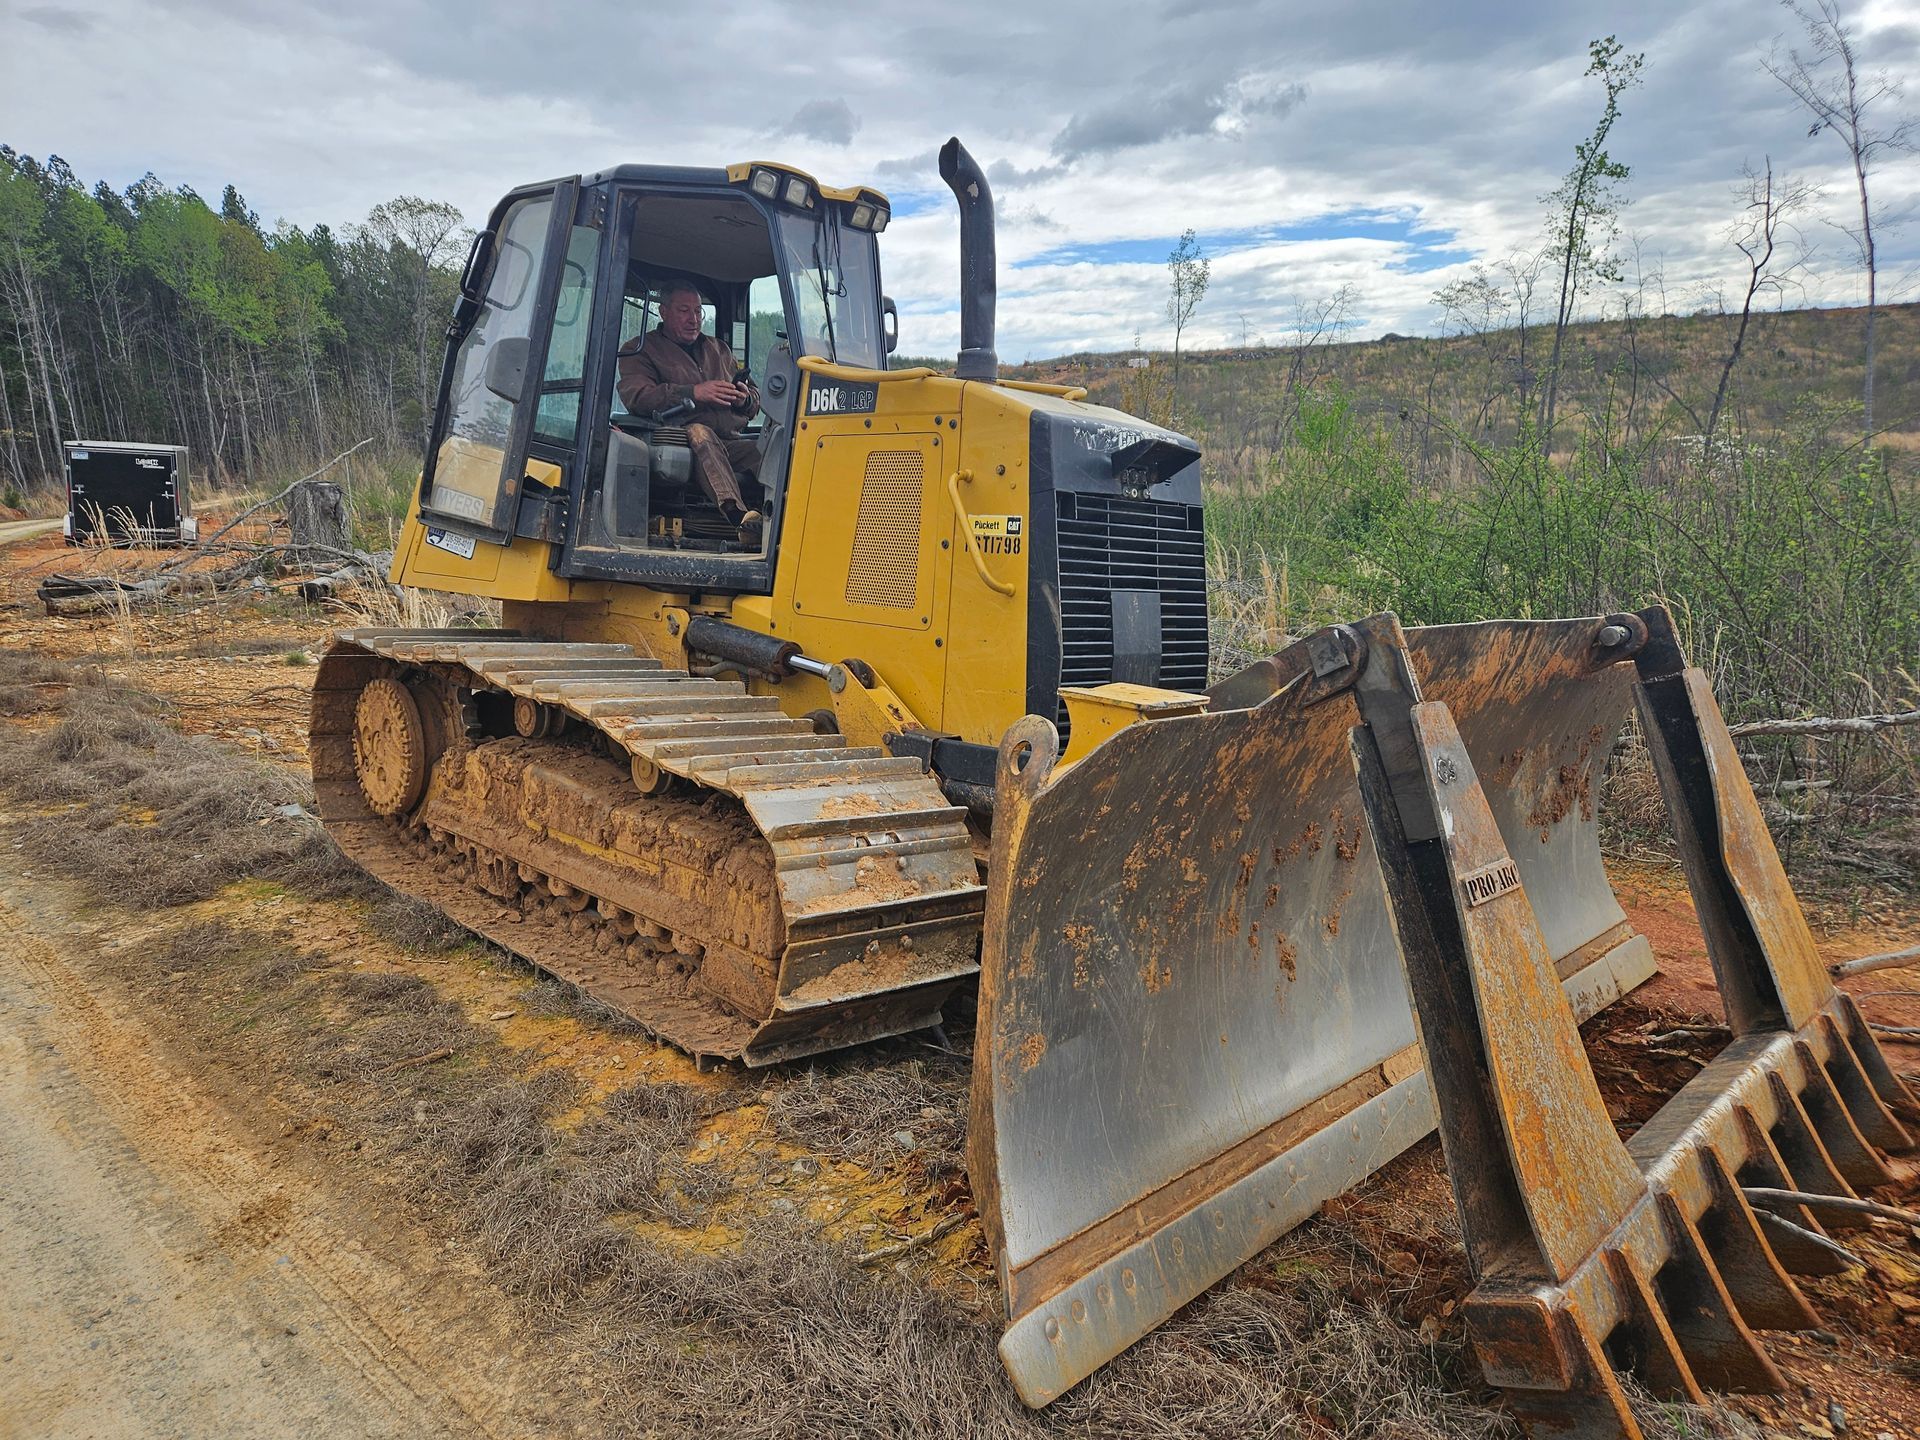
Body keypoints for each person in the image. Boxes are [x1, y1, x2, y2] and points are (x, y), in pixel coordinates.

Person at [616, 280, 763, 544]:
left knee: (767, 451)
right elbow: (637, 397)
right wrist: (693, 392)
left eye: (698, 312)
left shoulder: (720, 350)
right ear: (663, 312)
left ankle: (787, 517)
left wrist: (744, 398)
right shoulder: (639, 350)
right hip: (680, 439)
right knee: (700, 433)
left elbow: (754, 399)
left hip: (729, 441)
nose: (693, 319)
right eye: (684, 311)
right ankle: (738, 519)